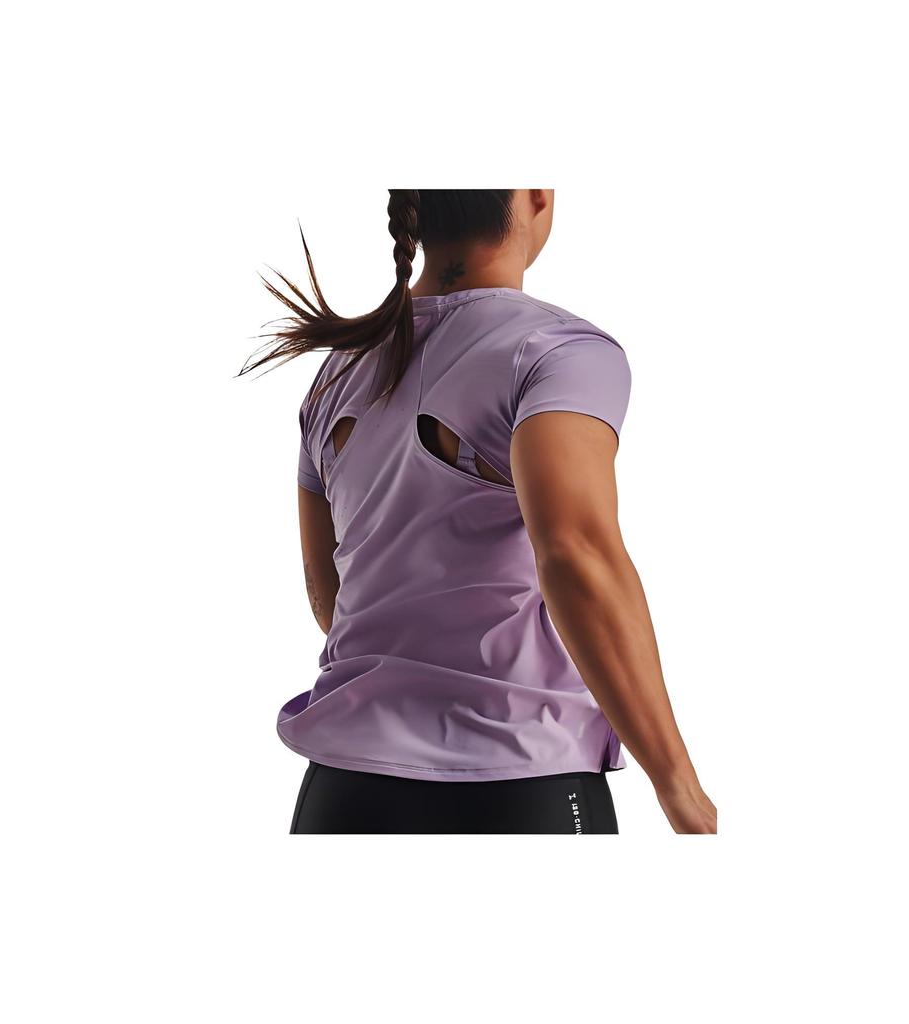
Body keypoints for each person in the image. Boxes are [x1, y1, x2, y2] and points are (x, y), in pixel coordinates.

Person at [242, 190, 717, 834]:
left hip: (346, 788)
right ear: (535, 196)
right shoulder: (556, 351)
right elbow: (576, 556)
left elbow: (330, 597)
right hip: (520, 779)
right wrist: (678, 787)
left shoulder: (339, 371)